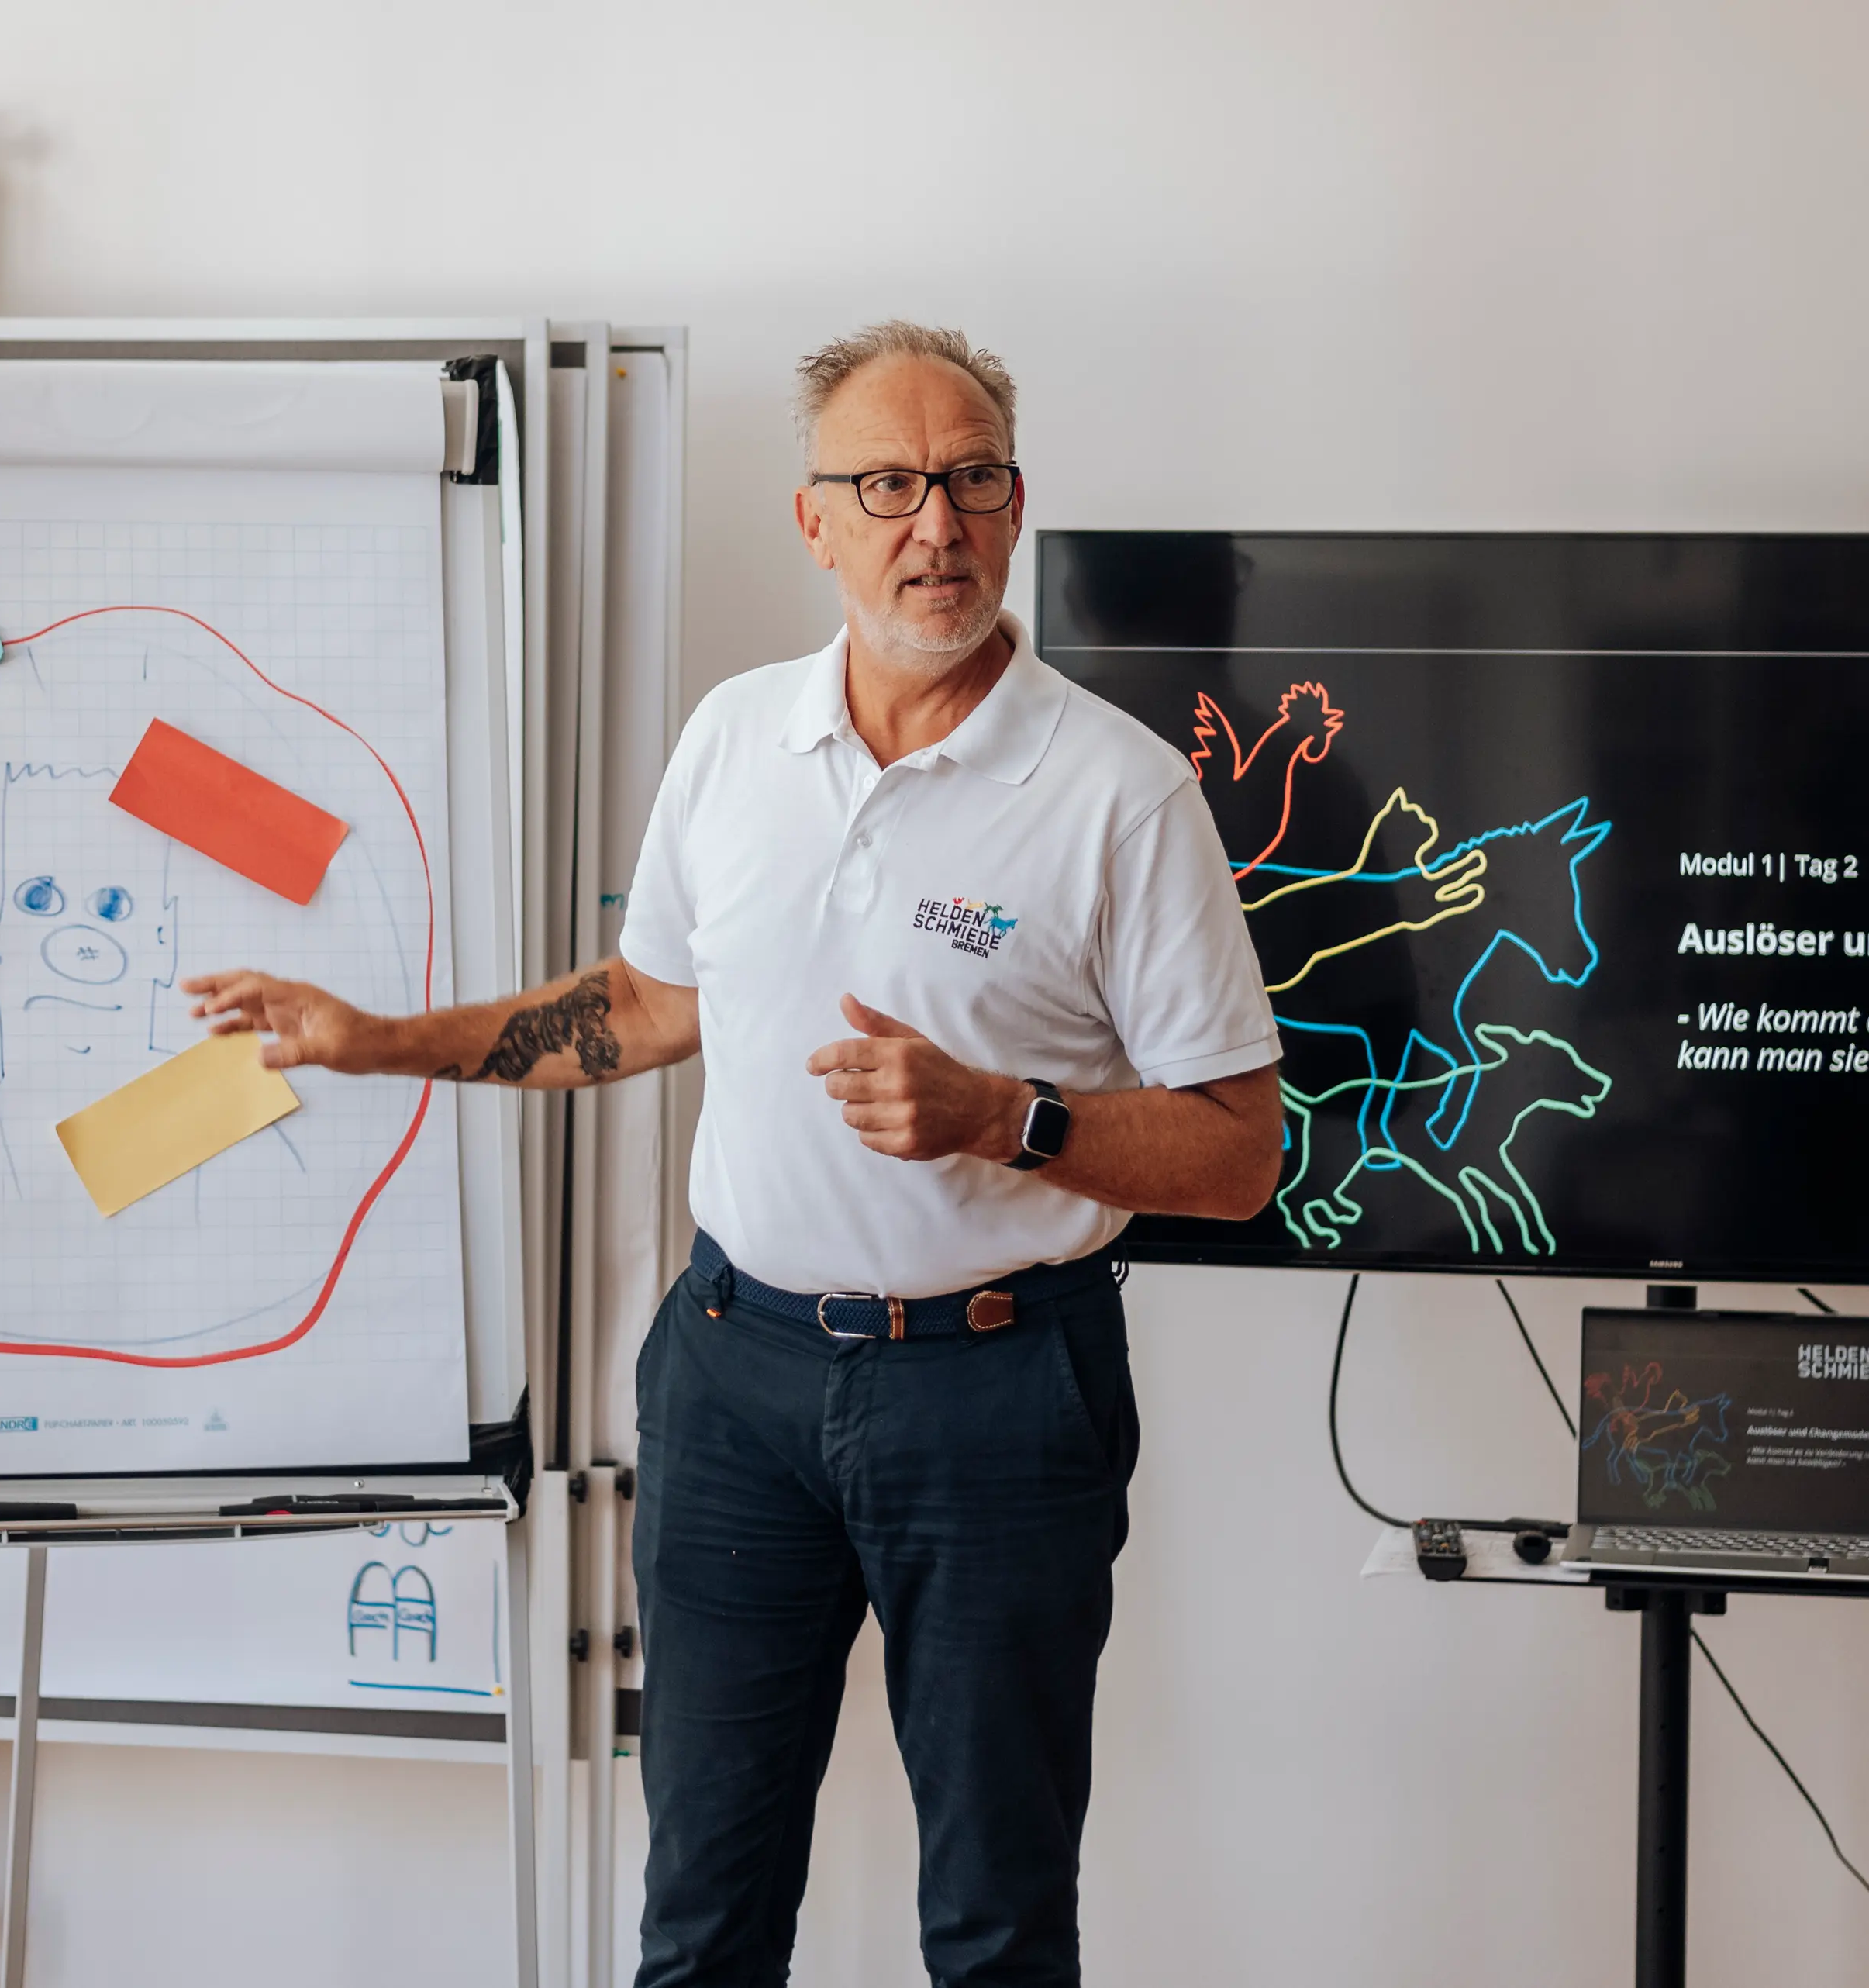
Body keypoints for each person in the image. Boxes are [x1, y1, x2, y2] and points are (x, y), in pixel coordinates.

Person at [185, 321, 1281, 1986]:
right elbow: (645, 1004)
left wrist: (1011, 1119)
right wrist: (376, 1038)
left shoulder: (1120, 794)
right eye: (889, 484)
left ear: (1016, 503)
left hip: (999, 1399)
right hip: (734, 1382)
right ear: (814, 520)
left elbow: (1240, 1152)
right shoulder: (733, 737)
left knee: (997, 1924)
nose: (936, 523)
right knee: (701, 1912)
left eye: (972, 480)